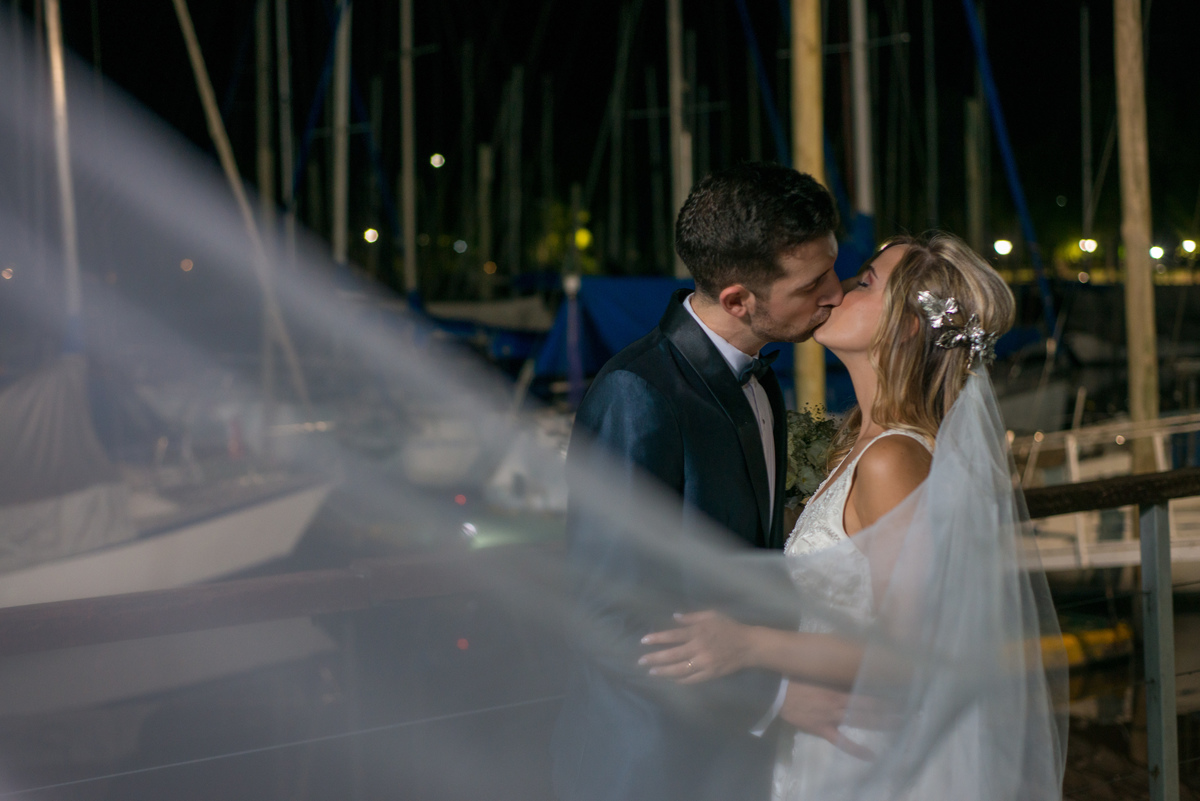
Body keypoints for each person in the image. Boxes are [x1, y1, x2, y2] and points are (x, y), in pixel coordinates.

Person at [640, 233, 1067, 801]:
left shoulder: (893, 460)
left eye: (865, 282)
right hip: (830, 732)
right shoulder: (861, 446)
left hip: (867, 754)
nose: (837, 291)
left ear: (909, 326)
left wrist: (746, 645)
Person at [550, 162, 845, 801]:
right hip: (653, 762)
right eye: (814, 281)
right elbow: (605, 613)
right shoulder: (638, 393)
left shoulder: (760, 372)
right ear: (739, 299)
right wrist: (775, 697)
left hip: (735, 758)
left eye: (834, 268)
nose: (836, 292)